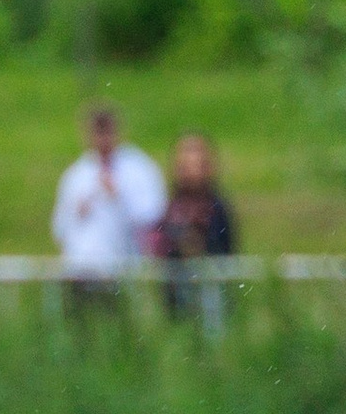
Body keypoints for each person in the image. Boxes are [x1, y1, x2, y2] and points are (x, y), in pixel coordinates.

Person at [51, 103, 168, 308]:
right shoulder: (76, 175)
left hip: (123, 271)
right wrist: (77, 213)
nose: (102, 139)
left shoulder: (139, 169)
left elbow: (154, 217)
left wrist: (119, 197)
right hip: (81, 271)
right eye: (96, 132)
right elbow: (59, 228)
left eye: (106, 131)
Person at [156, 130, 237, 322]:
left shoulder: (215, 207)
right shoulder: (172, 206)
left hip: (212, 294)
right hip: (177, 295)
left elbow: (224, 249)